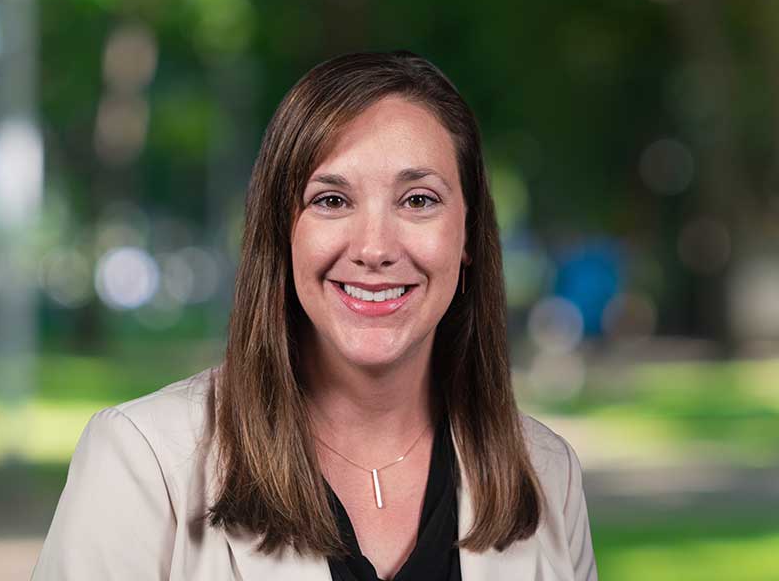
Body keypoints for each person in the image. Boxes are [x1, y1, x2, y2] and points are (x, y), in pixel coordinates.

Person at [32, 51, 598, 580]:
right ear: (283, 230)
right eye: (331, 200)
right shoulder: (142, 461)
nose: (374, 248)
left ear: (469, 233)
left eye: (418, 200)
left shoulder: (548, 476)